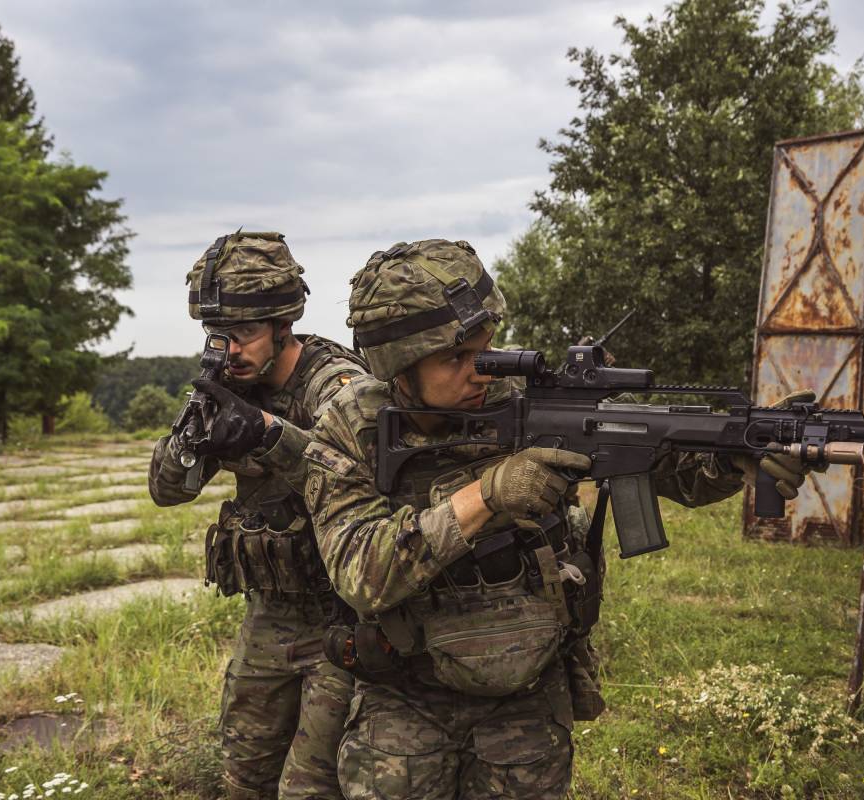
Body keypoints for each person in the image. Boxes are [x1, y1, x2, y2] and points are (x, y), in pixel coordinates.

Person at [301, 239, 812, 799]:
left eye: (486, 348)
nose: (482, 371)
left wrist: (732, 455)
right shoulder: (352, 429)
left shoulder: (531, 394)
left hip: (527, 707)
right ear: (398, 364)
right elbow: (362, 574)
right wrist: (486, 496)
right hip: (404, 706)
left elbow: (664, 464)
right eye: (455, 358)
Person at [148, 231, 366, 800]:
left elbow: (363, 482)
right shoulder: (227, 383)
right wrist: (193, 434)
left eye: (242, 334)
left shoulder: (336, 386)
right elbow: (166, 490)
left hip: (341, 617)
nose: (229, 350)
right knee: (243, 777)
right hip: (271, 613)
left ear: (281, 325)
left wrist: (268, 436)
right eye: (216, 336)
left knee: (311, 786)